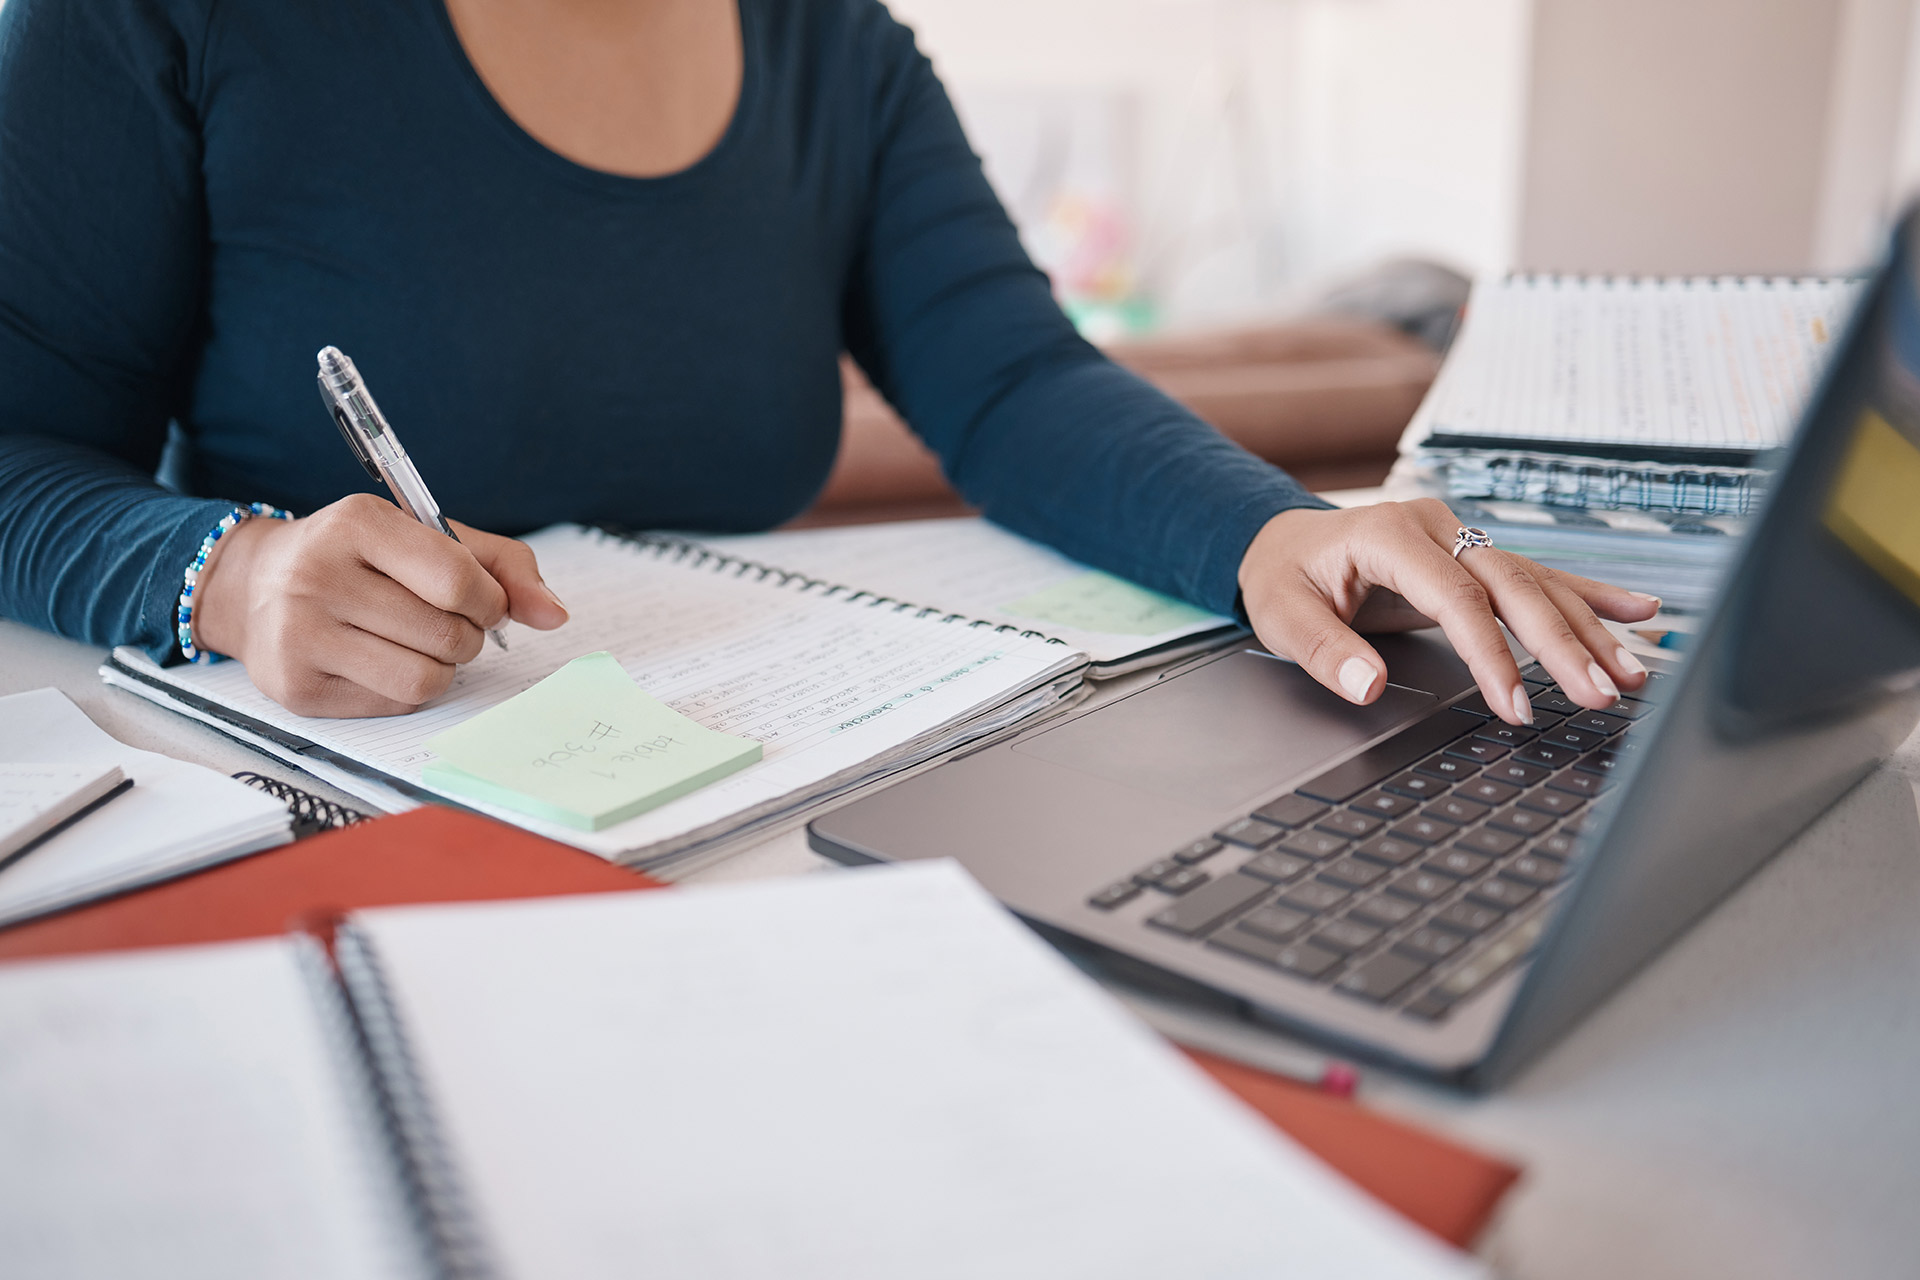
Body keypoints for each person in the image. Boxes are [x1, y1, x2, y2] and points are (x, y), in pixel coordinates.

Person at [0, 0, 1656, 722]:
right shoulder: (162, 13)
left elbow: (1012, 382)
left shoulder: (838, 50)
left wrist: (1272, 532)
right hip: (333, 804)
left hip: (737, 799)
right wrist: (228, 574)